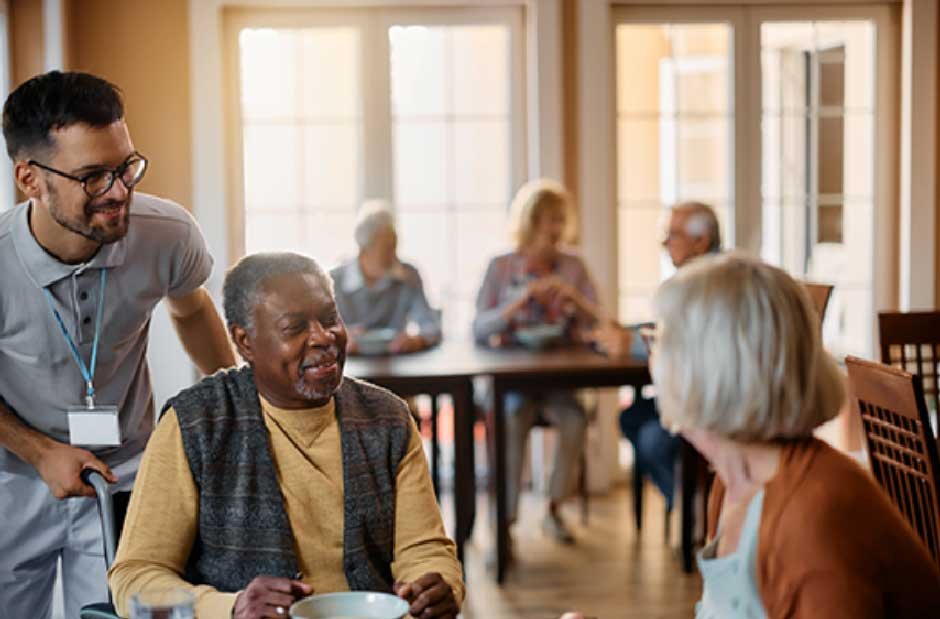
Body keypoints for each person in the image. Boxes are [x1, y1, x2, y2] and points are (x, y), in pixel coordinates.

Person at [109, 252, 463, 619]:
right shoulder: (196, 424)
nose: (323, 338)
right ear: (245, 342)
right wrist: (232, 607)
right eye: (295, 328)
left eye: (330, 319)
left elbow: (424, 549)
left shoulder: (387, 418)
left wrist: (435, 585)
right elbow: (134, 578)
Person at [0, 71, 235, 619]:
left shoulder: (167, 233)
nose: (118, 192)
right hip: (12, 473)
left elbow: (193, 307)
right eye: (92, 177)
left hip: (126, 470)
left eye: (126, 166)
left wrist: (233, 407)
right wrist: (39, 451)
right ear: (29, 179)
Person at [650, 253, 940, 617]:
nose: (654, 360)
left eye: (664, 342)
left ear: (712, 373)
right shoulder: (734, 482)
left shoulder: (816, 521)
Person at [473, 178, 599, 545]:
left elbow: (599, 321)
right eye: (548, 221)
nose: (556, 230)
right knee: (511, 420)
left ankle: (554, 510)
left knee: (575, 420)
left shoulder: (573, 267)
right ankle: (506, 521)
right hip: (512, 383)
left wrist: (576, 298)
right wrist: (518, 301)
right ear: (530, 223)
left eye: (560, 220)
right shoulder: (500, 268)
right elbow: (479, 328)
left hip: (559, 381)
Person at [595, 201, 721, 512]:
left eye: (673, 234)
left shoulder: (713, 281)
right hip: (694, 393)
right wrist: (627, 332)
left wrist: (630, 343)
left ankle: (693, 510)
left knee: (652, 436)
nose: (665, 243)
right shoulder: (695, 277)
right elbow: (673, 329)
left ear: (701, 240)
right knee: (631, 418)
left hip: (714, 400)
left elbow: (690, 344)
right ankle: (686, 503)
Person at [331, 199, 440, 354]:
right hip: (350, 368)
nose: (394, 256)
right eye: (386, 248)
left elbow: (432, 326)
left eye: (395, 246)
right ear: (364, 250)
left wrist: (418, 340)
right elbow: (321, 333)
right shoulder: (334, 281)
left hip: (396, 365)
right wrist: (340, 339)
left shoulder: (408, 276)